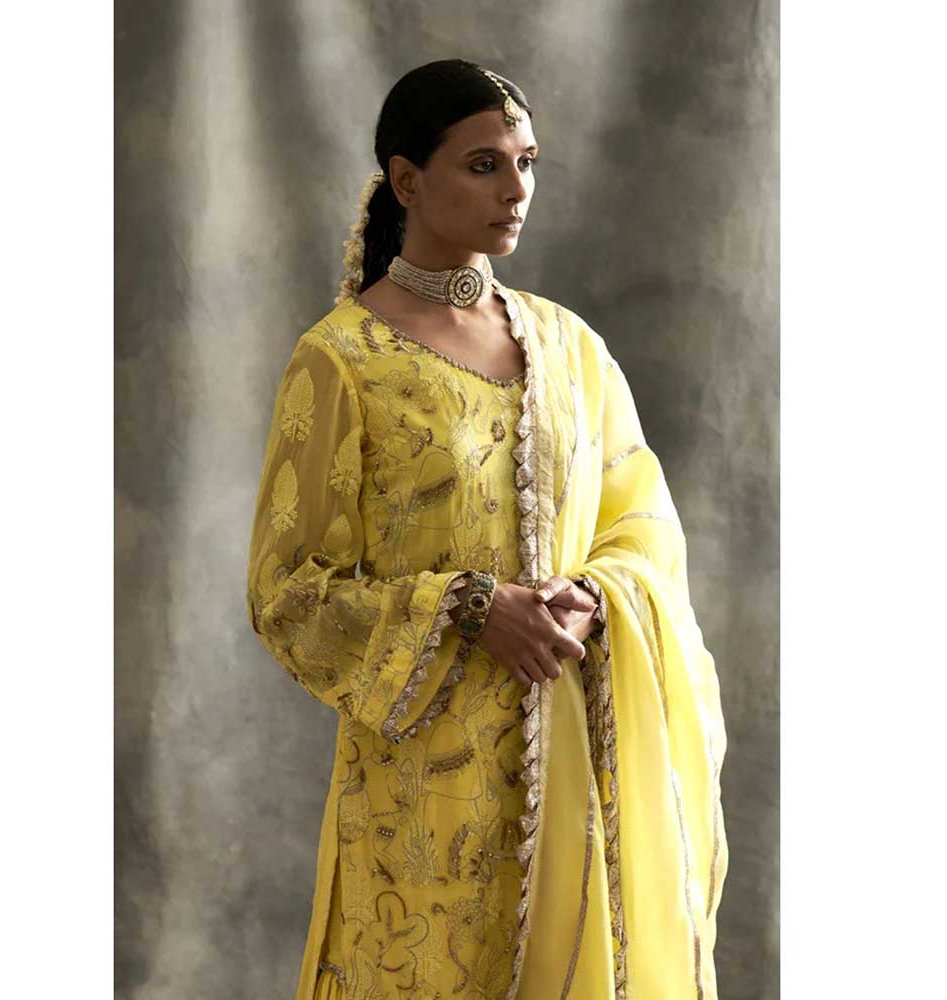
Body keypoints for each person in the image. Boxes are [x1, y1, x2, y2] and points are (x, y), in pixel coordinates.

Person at [246, 58, 729, 1000]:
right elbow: (288, 592)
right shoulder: (342, 361)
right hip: (423, 802)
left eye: (527, 162)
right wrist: (469, 607)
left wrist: (593, 597)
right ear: (406, 179)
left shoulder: (570, 347)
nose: (517, 189)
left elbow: (641, 523)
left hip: (576, 765)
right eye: (483, 165)